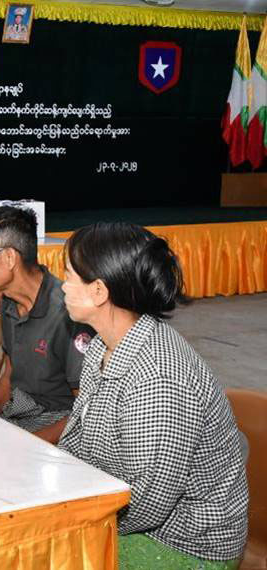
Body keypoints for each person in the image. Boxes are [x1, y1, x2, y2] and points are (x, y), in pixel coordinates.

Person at [58, 222, 248, 568]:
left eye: (69, 275)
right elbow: (77, 440)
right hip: (123, 513)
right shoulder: (102, 345)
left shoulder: (157, 378)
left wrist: (75, 521)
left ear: (98, 291)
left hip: (181, 543)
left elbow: (147, 504)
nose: (62, 285)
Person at [0, 206, 93, 443]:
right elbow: (9, 376)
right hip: (20, 411)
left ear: (9, 258)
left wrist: (27, 446)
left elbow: (85, 410)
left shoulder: (68, 314)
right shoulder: (8, 302)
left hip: (58, 423)